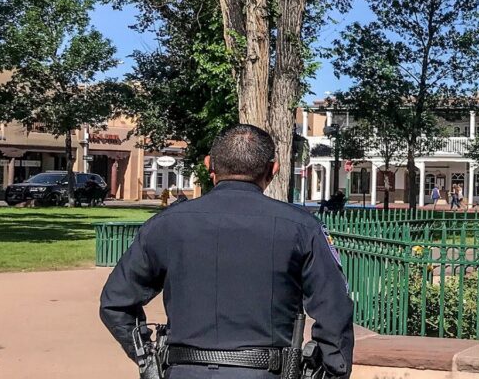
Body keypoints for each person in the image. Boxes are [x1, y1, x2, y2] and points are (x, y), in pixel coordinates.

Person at [100, 124, 354, 379]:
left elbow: (116, 303)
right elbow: (334, 310)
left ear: (209, 165)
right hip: (266, 372)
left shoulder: (165, 224)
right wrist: (331, 372)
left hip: (183, 370)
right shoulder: (303, 228)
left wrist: (147, 357)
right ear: (273, 169)